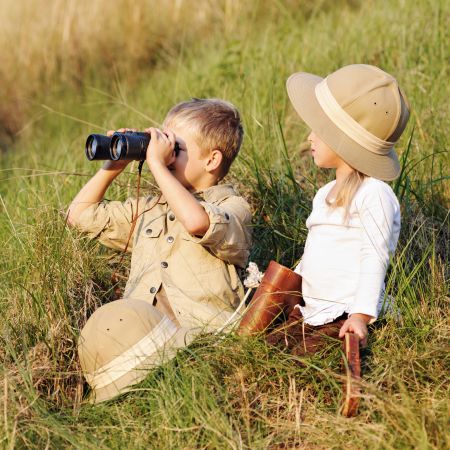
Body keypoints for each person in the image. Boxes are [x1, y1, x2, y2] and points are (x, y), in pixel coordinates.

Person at [68, 98, 252, 402]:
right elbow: (79, 216)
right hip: (143, 347)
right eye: (159, 144)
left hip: (202, 342)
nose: (163, 155)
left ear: (212, 160)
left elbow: (196, 222)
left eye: (174, 149)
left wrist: (155, 164)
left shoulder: (233, 208)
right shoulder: (151, 209)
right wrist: (114, 166)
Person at [267, 64, 410, 354]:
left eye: (319, 130)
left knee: (305, 361)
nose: (309, 137)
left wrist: (360, 315)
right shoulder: (323, 194)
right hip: (311, 310)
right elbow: (316, 250)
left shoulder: (374, 194)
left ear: (344, 140)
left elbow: (375, 256)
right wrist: (287, 287)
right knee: (266, 349)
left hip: (344, 311)